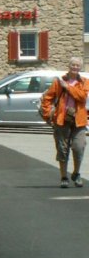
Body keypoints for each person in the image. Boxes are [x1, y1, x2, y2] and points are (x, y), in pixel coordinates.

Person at [39, 57, 88, 188]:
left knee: (79, 147)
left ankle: (76, 173)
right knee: (62, 149)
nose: (75, 67)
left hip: (79, 120)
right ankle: (64, 176)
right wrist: (47, 114)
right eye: (73, 65)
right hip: (61, 120)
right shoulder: (58, 82)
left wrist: (68, 87)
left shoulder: (84, 82)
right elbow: (47, 98)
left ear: (80, 68)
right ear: (69, 65)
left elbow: (82, 97)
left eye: (77, 65)